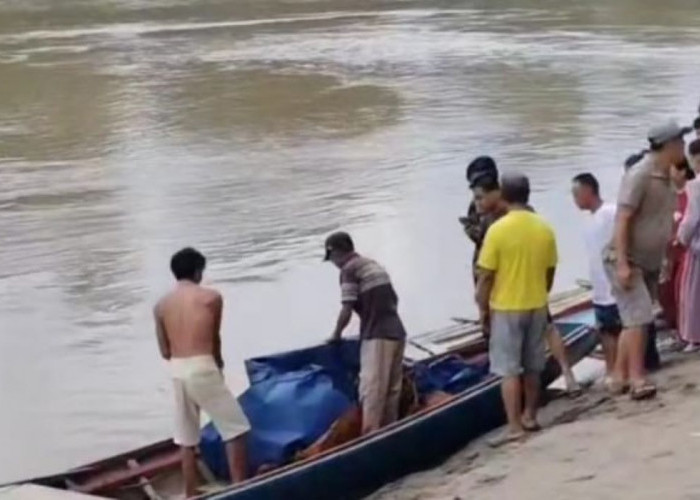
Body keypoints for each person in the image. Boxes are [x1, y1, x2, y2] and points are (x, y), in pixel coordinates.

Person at [469, 173, 580, 396]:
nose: (476, 202)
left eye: (480, 197)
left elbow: (488, 271)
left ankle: (518, 413)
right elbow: (549, 266)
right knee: (536, 349)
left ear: (497, 192)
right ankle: (557, 382)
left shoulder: (500, 222)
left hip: (509, 297)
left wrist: (483, 307)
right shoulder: (532, 220)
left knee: (513, 363)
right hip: (528, 293)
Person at [604, 120, 690, 400]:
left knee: (635, 320)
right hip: (628, 258)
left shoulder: (666, 176)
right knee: (639, 317)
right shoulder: (640, 173)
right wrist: (622, 262)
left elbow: (662, 221)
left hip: (650, 259)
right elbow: (623, 218)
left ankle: (618, 377)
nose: (684, 147)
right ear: (668, 145)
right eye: (680, 142)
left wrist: (665, 258)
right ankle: (638, 379)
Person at [154, 248, 249, 498]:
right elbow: (214, 339)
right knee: (236, 429)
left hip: (177, 369)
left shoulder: (161, 305)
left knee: (187, 437)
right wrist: (218, 366)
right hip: (202, 365)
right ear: (198, 271)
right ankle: (241, 488)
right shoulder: (211, 297)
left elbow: (164, 350)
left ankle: (190, 493)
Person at [476, 173, 557, 443]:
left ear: (503, 195)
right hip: (536, 303)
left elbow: (486, 275)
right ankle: (530, 415)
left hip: (506, 307)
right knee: (533, 365)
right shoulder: (544, 227)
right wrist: (542, 293)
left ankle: (514, 427)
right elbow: (550, 270)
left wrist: (483, 310)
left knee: (508, 369)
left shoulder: (497, 230)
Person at [325, 232, 407, 435]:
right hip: (397, 331)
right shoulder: (371, 264)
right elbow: (393, 299)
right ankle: (391, 430)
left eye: (332, 258)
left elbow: (347, 307)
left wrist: (336, 334)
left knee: (372, 389)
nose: (333, 264)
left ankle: (371, 434)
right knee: (391, 388)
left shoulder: (349, 270)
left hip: (377, 334)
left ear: (335, 252)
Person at [571, 173, 621, 384]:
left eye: (576, 194)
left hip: (614, 286)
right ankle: (611, 370)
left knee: (618, 330)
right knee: (606, 331)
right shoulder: (589, 220)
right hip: (599, 288)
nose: (574, 199)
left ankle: (621, 369)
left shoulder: (610, 212)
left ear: (588, 191)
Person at [677, 139, 700, 351]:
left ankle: (694, 337)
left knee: (693, 292)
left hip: (698, 247)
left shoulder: (695, 186)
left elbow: (691, 220)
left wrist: (681, 237)